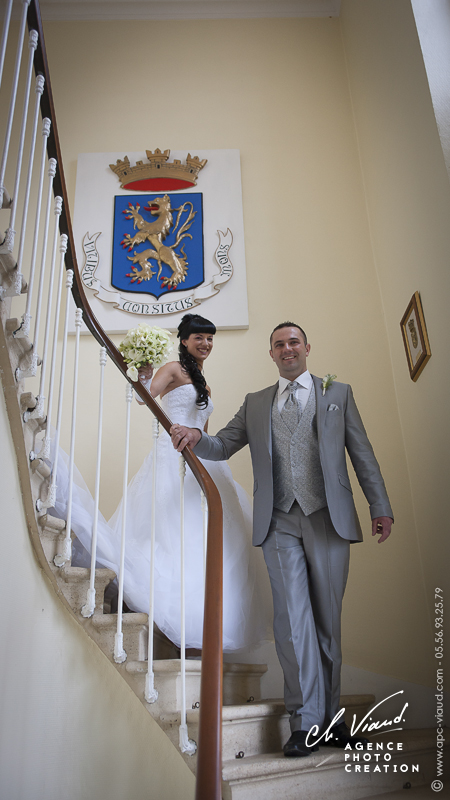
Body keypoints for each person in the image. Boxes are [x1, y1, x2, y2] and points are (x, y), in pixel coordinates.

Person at [170, 321, 393, 755]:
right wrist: (197, 436)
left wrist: (379, 506)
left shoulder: (338, 393)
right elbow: (224, 444)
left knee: (327, 622)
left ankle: (332, 721)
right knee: (292, 623)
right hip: (278, 522)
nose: (287, 348)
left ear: (307, 347)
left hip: (329, 518)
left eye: (293, 342)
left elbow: (362, 453)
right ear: (271, 354)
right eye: (279, 344)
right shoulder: (256, 403)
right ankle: (304, 722)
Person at [56, 313, 271, 653]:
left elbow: (203, 430)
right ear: (184, 340)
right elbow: (145, 397)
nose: (206, 343)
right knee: (168, 528)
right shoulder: (173, 368)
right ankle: (158, 607)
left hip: (201, 460)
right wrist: (143, 373)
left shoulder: (204, 383)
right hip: (171, 457)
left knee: (207, 533)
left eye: (210, 338)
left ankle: (197, 615)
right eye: (199, 337)